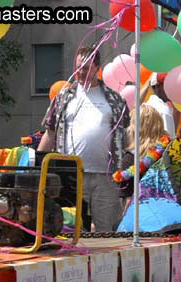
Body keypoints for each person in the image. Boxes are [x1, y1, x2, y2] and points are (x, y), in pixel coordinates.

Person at [38, 46, 129, 232]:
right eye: (78, 67)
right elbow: (50, 133)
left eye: (86, 68)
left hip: (106, 176)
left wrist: (126, 167)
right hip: (70, 175)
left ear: (97, 68)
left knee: (106, 230)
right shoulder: (64, 97)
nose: (80, 73)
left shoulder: (115, 99)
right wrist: (37, 165)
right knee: (70, 229)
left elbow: (127, 135)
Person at [113, 104, 168, 204]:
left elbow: (129, 202)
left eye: (131, 123)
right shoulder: (169, 151)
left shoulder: (130, 159)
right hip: (171, 210)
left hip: (143, 214)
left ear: (136, 129)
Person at [144, 72, 177, 139]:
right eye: (166, 85)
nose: (170, 88)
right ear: (156, 87)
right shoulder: (164, 111)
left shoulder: (145, 106)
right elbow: (168, 144)